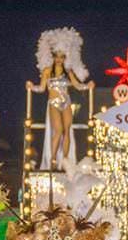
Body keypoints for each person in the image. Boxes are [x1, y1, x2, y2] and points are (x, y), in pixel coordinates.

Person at [29, 27, 94, 170]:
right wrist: (31, 86)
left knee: (67, 131)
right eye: (56, 56)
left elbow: (77, 85)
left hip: (66, 103)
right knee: (57, 131)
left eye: (62, 56)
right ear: (52, 56)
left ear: (65, 57)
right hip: (53, 103)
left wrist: (87, 86)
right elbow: (41, 88)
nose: (59, 59)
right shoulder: (47, 71)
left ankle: (65, 161)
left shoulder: (68, 71)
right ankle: (52, 160)